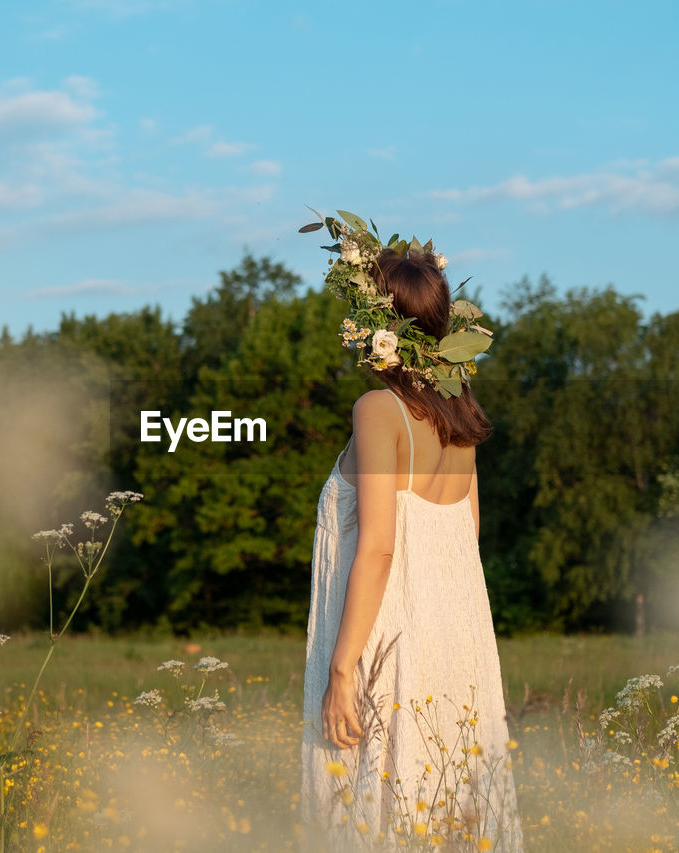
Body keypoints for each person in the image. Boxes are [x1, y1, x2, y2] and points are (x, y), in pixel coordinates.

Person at [299, 231, 525, 852]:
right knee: (447, 810)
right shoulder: (458, 417)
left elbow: (377, 546)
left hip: (387, 643)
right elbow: (466, 537)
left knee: (375, 812)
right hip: (455, 642)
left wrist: (344, 668)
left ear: (380, 324)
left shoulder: (379, 408)